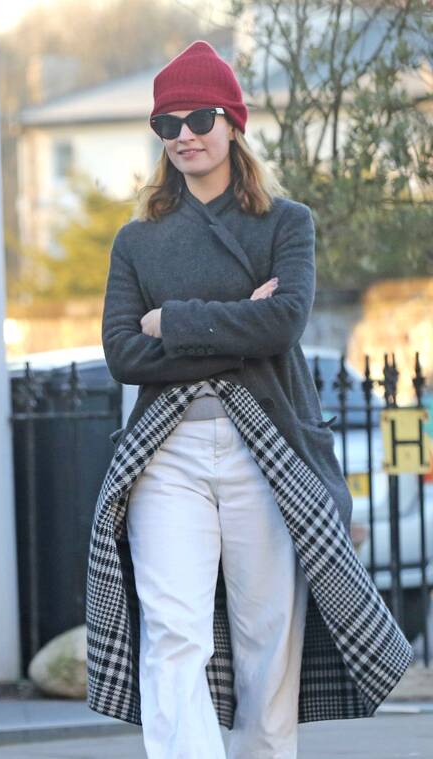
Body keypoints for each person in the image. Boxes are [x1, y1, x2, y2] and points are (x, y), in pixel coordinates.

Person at [84, 41, 411, 758]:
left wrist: (172, 322)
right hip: (166, 454)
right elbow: (123, 354)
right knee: (174, 635)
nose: (184, 136)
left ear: (234, 122)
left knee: (269, 643)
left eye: (199, 117)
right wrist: (240, 325)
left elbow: (283, 324)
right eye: (167, 124)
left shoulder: (286, 223)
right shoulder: (137, 241)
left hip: (265, 447)